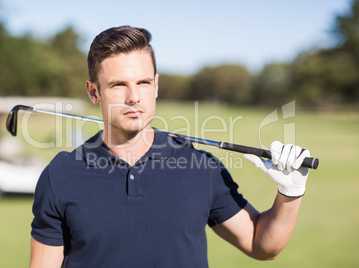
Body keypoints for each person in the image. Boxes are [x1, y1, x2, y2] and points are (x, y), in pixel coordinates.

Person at [29, 26, 311, 268]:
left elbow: (260, 244)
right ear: (94, 92)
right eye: (118, 85)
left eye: (143, 82)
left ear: (156, 86)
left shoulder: (201, 167)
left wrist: (290, 192)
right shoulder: (61, 175)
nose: (133, 97)